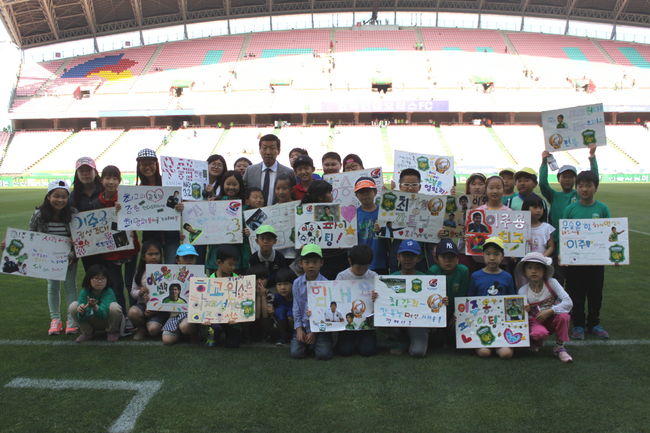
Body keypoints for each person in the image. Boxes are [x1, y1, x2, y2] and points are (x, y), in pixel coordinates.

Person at [562, 170, 611, 340]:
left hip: (596, 262)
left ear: (595, 187)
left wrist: (614, 256)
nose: (584, 189)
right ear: (577, 188)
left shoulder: (602, 208)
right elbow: (564, 234)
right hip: (575, 262)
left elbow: (610, 234)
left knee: (595, 294)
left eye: (588, 186)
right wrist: (563, 254)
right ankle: (578, 325)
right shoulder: (570, 209)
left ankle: (594, 323)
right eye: (581, 186)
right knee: (576, 294)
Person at [30, 180, 79, 335]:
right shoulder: (39, 214)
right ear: (48, 196)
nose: (60, 200)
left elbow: (80, 236)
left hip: (69, 258)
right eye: (56, 196)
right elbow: (30, 234)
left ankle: (72, 319)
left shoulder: (73, 213)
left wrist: (74, 246)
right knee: (53, 286)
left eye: (64, 197)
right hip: (48, 258)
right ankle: (55, 320)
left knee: (70, 286)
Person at [90, 165, 139, 316]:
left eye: (114, 178)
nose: (111, 182)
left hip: (129, 248)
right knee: (116, 285)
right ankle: (122, 315)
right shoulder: (96, 203)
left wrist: (125, 209)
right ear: (101, 180)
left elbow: (139, 218)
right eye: (107, 178)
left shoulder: (126, 198)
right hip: (110, 251)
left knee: (131, 284)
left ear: (119, 180)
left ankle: (134, 313)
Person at [516, 252, 573, 362]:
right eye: (529, 268)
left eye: (538, 268)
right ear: (524, 271)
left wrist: (551, 310)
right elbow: (521, 316)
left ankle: (560, 347)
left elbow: (568, 302)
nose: (533, 271)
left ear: (544, 271)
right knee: (538, 333)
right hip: (536, 320)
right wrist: (525, 311)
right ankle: (536, 340)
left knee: (564, 317)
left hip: (553, 318)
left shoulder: (552, 283)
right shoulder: (522, 290)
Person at [468, 237, 515, 359]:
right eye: (488, 254)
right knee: (484, 353)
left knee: (506, 354)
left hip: (501, 323)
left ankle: (499, 344)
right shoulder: (475, 276)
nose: (492, 258)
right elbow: (469, 299)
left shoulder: (507, 277)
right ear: (483, 255)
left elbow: (512, 300)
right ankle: (481, 344)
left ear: (502, 256)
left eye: (496, 254)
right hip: (481, 322)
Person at [136, 148, 181, 264]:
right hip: (150, 235)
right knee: (153, 269)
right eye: (143, 164)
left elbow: (180, 205)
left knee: (171, 266)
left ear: (156, 164)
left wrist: (180, 207)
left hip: (171, 233)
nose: (147, 167)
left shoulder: (168, 183)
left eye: (151, 163)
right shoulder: (137, 190)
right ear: (139, 166)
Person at [540, 144, 598, 234]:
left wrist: (592, 156)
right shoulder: (553, 196)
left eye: (570, 177)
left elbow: (593, 179)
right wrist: (544, 162)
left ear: (576, 179)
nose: (567, 180)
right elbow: (543, 184)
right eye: (564, 177)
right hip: (557, 239)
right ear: (558, 179)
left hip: (578, 237)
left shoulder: (580, 195)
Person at [290, 244, 333, 360]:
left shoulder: (326, 284)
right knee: (295, 353)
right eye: (307, 262)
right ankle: (308, 344)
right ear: (301, 263)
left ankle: (318, 341)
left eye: (315, 262)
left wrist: (315, 332)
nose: (311, 266)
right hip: (303, 325)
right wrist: (299, 329)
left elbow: (325, 310)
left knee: (323, 354)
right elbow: (296, 307)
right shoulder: (297, 283)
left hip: (321, 328)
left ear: (321, 263)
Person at [334, 245, 378, 356]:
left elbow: (380, 301)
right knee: (344, 351)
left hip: (366, 323)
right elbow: (336, 299)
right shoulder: (342, 276)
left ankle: (363, 340)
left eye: (365, 267)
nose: (362, 270)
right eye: (359, 267)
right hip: (347, 322)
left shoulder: (374, 276)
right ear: (350, 261)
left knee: (367, 351)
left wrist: (377, 298)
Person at [301, 181, 348, 279]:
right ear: (320, 197)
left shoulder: (338, 211)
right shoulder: (305, 213)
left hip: (339, 256)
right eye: (329, 192)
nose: (331, 195)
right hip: (321, 259)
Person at [387, 169, 431, 273]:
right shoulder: (392, 204)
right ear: (400, 186)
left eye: (414, 185)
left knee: (422, 277)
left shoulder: (428, 204)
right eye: (406, 184)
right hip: (399, 249)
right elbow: (385, 227)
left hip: (422, 249)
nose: (410, 188)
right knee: (397, 276)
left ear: (419, 187)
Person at [428, 238, 469, 348]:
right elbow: (430, 297)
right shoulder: (433, 271)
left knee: (455, 340)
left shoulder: (463, 271)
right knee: (435, 342)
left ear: (457, 259)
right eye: (444, 257)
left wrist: (457, 313)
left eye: (451, 257)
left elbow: (463, 295)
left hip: (456, 311)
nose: (448, 261)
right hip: (439, 311)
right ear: (436, 259)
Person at [68, 264, 123, 343]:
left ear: (107, 280)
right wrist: (82, 312)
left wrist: (95, 307)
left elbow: (104, 314)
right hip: (92, 319)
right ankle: (87, 332)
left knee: (114, 307)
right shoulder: (84, 292)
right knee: (73, 306)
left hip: (107, 321)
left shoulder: (109, 292)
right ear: (89, 279)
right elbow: (81, 318)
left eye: (103, 278)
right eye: (96, 278)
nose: (100, 281)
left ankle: (112, 332)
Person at [128, 241, 168, 341]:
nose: (154, 257)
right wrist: (140, 292)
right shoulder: (140, 272)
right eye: (150, 254)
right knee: (133, 312)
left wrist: (155, 309)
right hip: (143, 305)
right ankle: (141, 328)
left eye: (157, 254)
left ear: (161, 255)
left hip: (160, 308)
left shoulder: (167, 272)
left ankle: (159, 324)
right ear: (143, 256)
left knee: (153, 330)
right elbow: (133, 292)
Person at [161, 244, 200, 345]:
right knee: (167, 340)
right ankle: (181, 333)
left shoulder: (201, 275)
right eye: (185, 257)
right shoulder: (170, 275)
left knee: (186, 326)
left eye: (191, 257)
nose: (189, 260)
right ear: (178, 260)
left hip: (193, 314)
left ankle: (194, 332)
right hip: (175, 314)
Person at [206, 245, 243, 348]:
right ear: (219, 262)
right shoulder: (210, 280)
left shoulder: (237, 279)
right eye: (230, 264)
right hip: (215, 317)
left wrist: (242, 285)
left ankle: (232, 335)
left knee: (233, 344)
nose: (233, 268)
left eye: (235, 265)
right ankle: (212, 336)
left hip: (231, 318)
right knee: (215, 328)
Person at [70, 157, 103, 271]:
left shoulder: (105, 190)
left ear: (95, 172)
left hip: (107, 242)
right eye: (81, 171)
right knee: (92, 275)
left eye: (88, 170)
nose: (85, 174)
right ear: (77, 174)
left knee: (110, 276)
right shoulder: (73, 196)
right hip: (87, 245)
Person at [242, 134, 294, 206]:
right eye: (264, 148)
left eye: (272, 148)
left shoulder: (289, 172)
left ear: (278, 151)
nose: (268, 152)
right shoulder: (250, 171)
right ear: (260, 150)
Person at [354, 177, 387, 273]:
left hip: (380, 262)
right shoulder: (353, 215)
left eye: (368, 191)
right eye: (361, 192)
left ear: (375, 192)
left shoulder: (384, 213)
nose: (365, 195)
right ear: (356, 195)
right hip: (360, 263)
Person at [273, 267, 296, 345]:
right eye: (279, 284)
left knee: (291, 314)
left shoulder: (296, 297)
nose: (282, 287)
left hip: (295, 325)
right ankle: (282, 337)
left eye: (286, 284)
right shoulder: (276, 297)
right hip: (281, 323)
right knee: (280, 311)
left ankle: (294, 335)